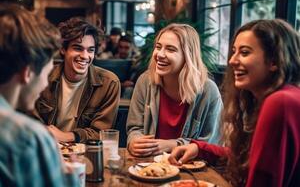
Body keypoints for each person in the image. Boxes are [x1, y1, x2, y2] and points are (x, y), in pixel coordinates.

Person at [169, 19, 300, 187]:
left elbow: (263, 178)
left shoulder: (279, 102)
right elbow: (249, 159)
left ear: (274, 61)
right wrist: (200, 149)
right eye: (234, 51)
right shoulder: (286, 96)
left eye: (244, 53)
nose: (232, 60)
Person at [0, 4, 76, 186]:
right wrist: (68, 176)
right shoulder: (27, 137)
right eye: (46, 74)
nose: (45, 84)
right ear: (27, 73)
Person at [126, 23, 223, 157]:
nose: (160, 54)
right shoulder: (145, 81)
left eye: (170, 49)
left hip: (193, 170)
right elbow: (134, 128)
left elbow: (212, 143)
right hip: (149, 165)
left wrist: (172, 144)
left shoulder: (208, 90)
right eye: (158, 47)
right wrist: (134, 141)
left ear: (188, 56)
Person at [34, 17, 121, 143]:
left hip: (85, 152)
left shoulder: (109, 83)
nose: (85, 56)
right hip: (47, 147)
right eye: (78, 48)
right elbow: (29, 121)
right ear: (63, 49)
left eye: (90, 50)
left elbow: (102, 132)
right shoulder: (43, 78)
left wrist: (68, 136)